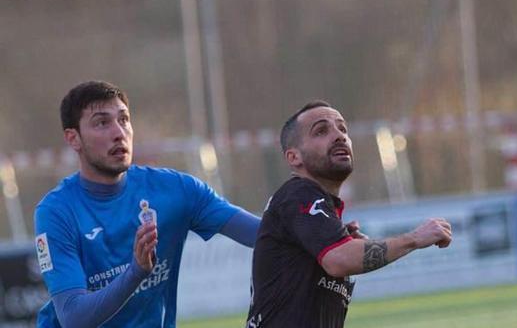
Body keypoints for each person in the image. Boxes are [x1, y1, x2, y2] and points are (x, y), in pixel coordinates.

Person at [34, 80, 262, 327]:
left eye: (123, 119)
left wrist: (302, 213)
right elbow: (74, 317)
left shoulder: (177, 190)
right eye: (102, 123)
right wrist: (136, 272)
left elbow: (262, 235)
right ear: (73, 138)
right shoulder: (55, 212)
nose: (118, 133)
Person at [247, 101, 452, 328]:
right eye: (321, 131)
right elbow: (340, 260)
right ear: (294, 157)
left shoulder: (312, 204)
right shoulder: (299, 194)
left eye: (342, 129)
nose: (339, 136)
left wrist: (346, 244)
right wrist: (414, 238)